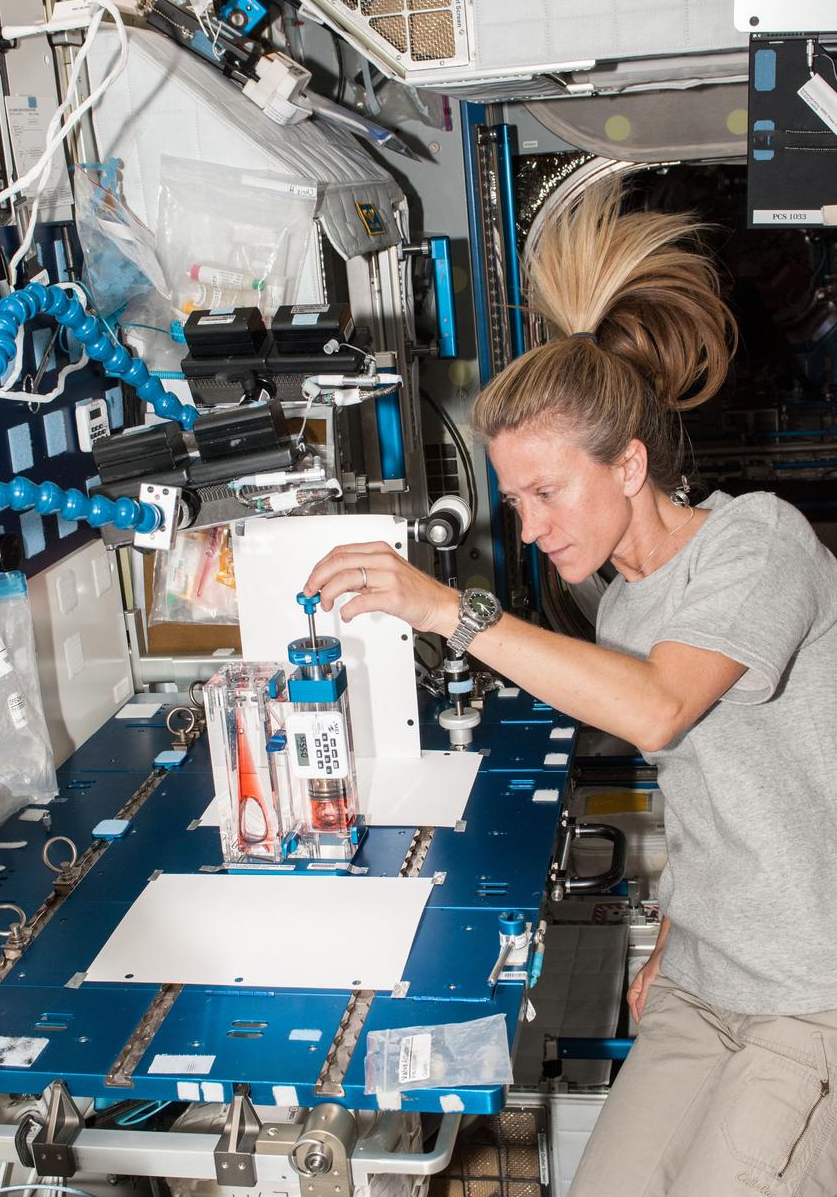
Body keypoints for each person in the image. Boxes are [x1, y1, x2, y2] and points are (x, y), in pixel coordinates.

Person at [304, 182, 837, 1197]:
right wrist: (675, 939)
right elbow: (707, 788)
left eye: (547, 490)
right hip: (701, 978)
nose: (530, 521)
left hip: (815, 991)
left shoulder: (757, 542)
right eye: (515, 497)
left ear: (629, 463)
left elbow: (657, 707)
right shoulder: (618, 600)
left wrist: (448, 608)